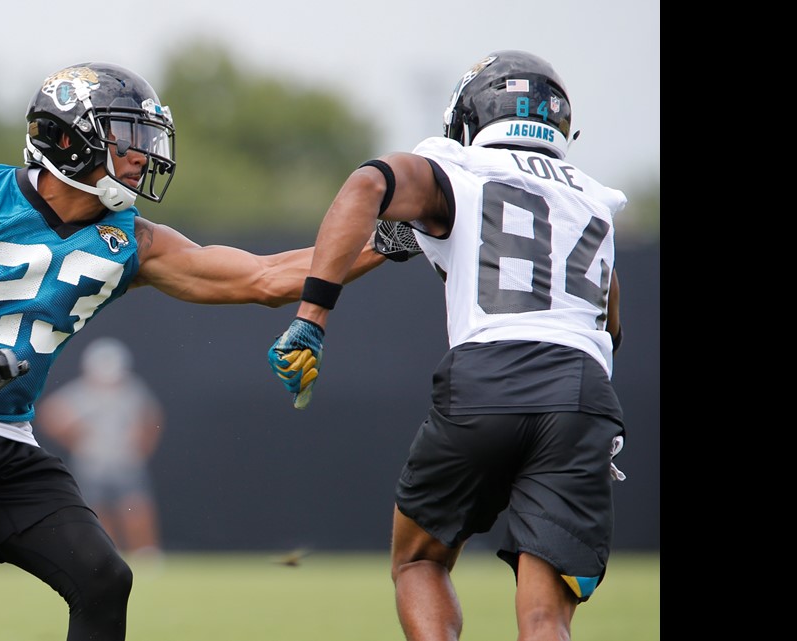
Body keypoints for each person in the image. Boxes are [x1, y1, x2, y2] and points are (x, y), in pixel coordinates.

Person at [0, 61, 386, 641]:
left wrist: (385, 241)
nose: (143, 156)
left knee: (102, 578)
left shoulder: (132, 241)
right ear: (69, 139)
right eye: (127, 138)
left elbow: (265, 277)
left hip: (1, 431)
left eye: (147, 140)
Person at [266, 50, 627, 641]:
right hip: (582, 391)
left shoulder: (455, 167)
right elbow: (610, 320)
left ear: (470, 118)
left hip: (488, 374)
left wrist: (312, 315)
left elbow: (368, 185)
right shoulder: (595, 198)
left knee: (419, 559)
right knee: (544, 619)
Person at [37, 337, 166, 558]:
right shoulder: (81, 393)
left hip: (126, 460)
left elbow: (152, 418)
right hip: (93, 463)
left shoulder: (132, 391)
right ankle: (110, 553)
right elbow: (50, 414)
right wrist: (75, 439)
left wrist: (142, 446)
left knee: (135, 505)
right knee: (97, 509)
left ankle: (146, 553)